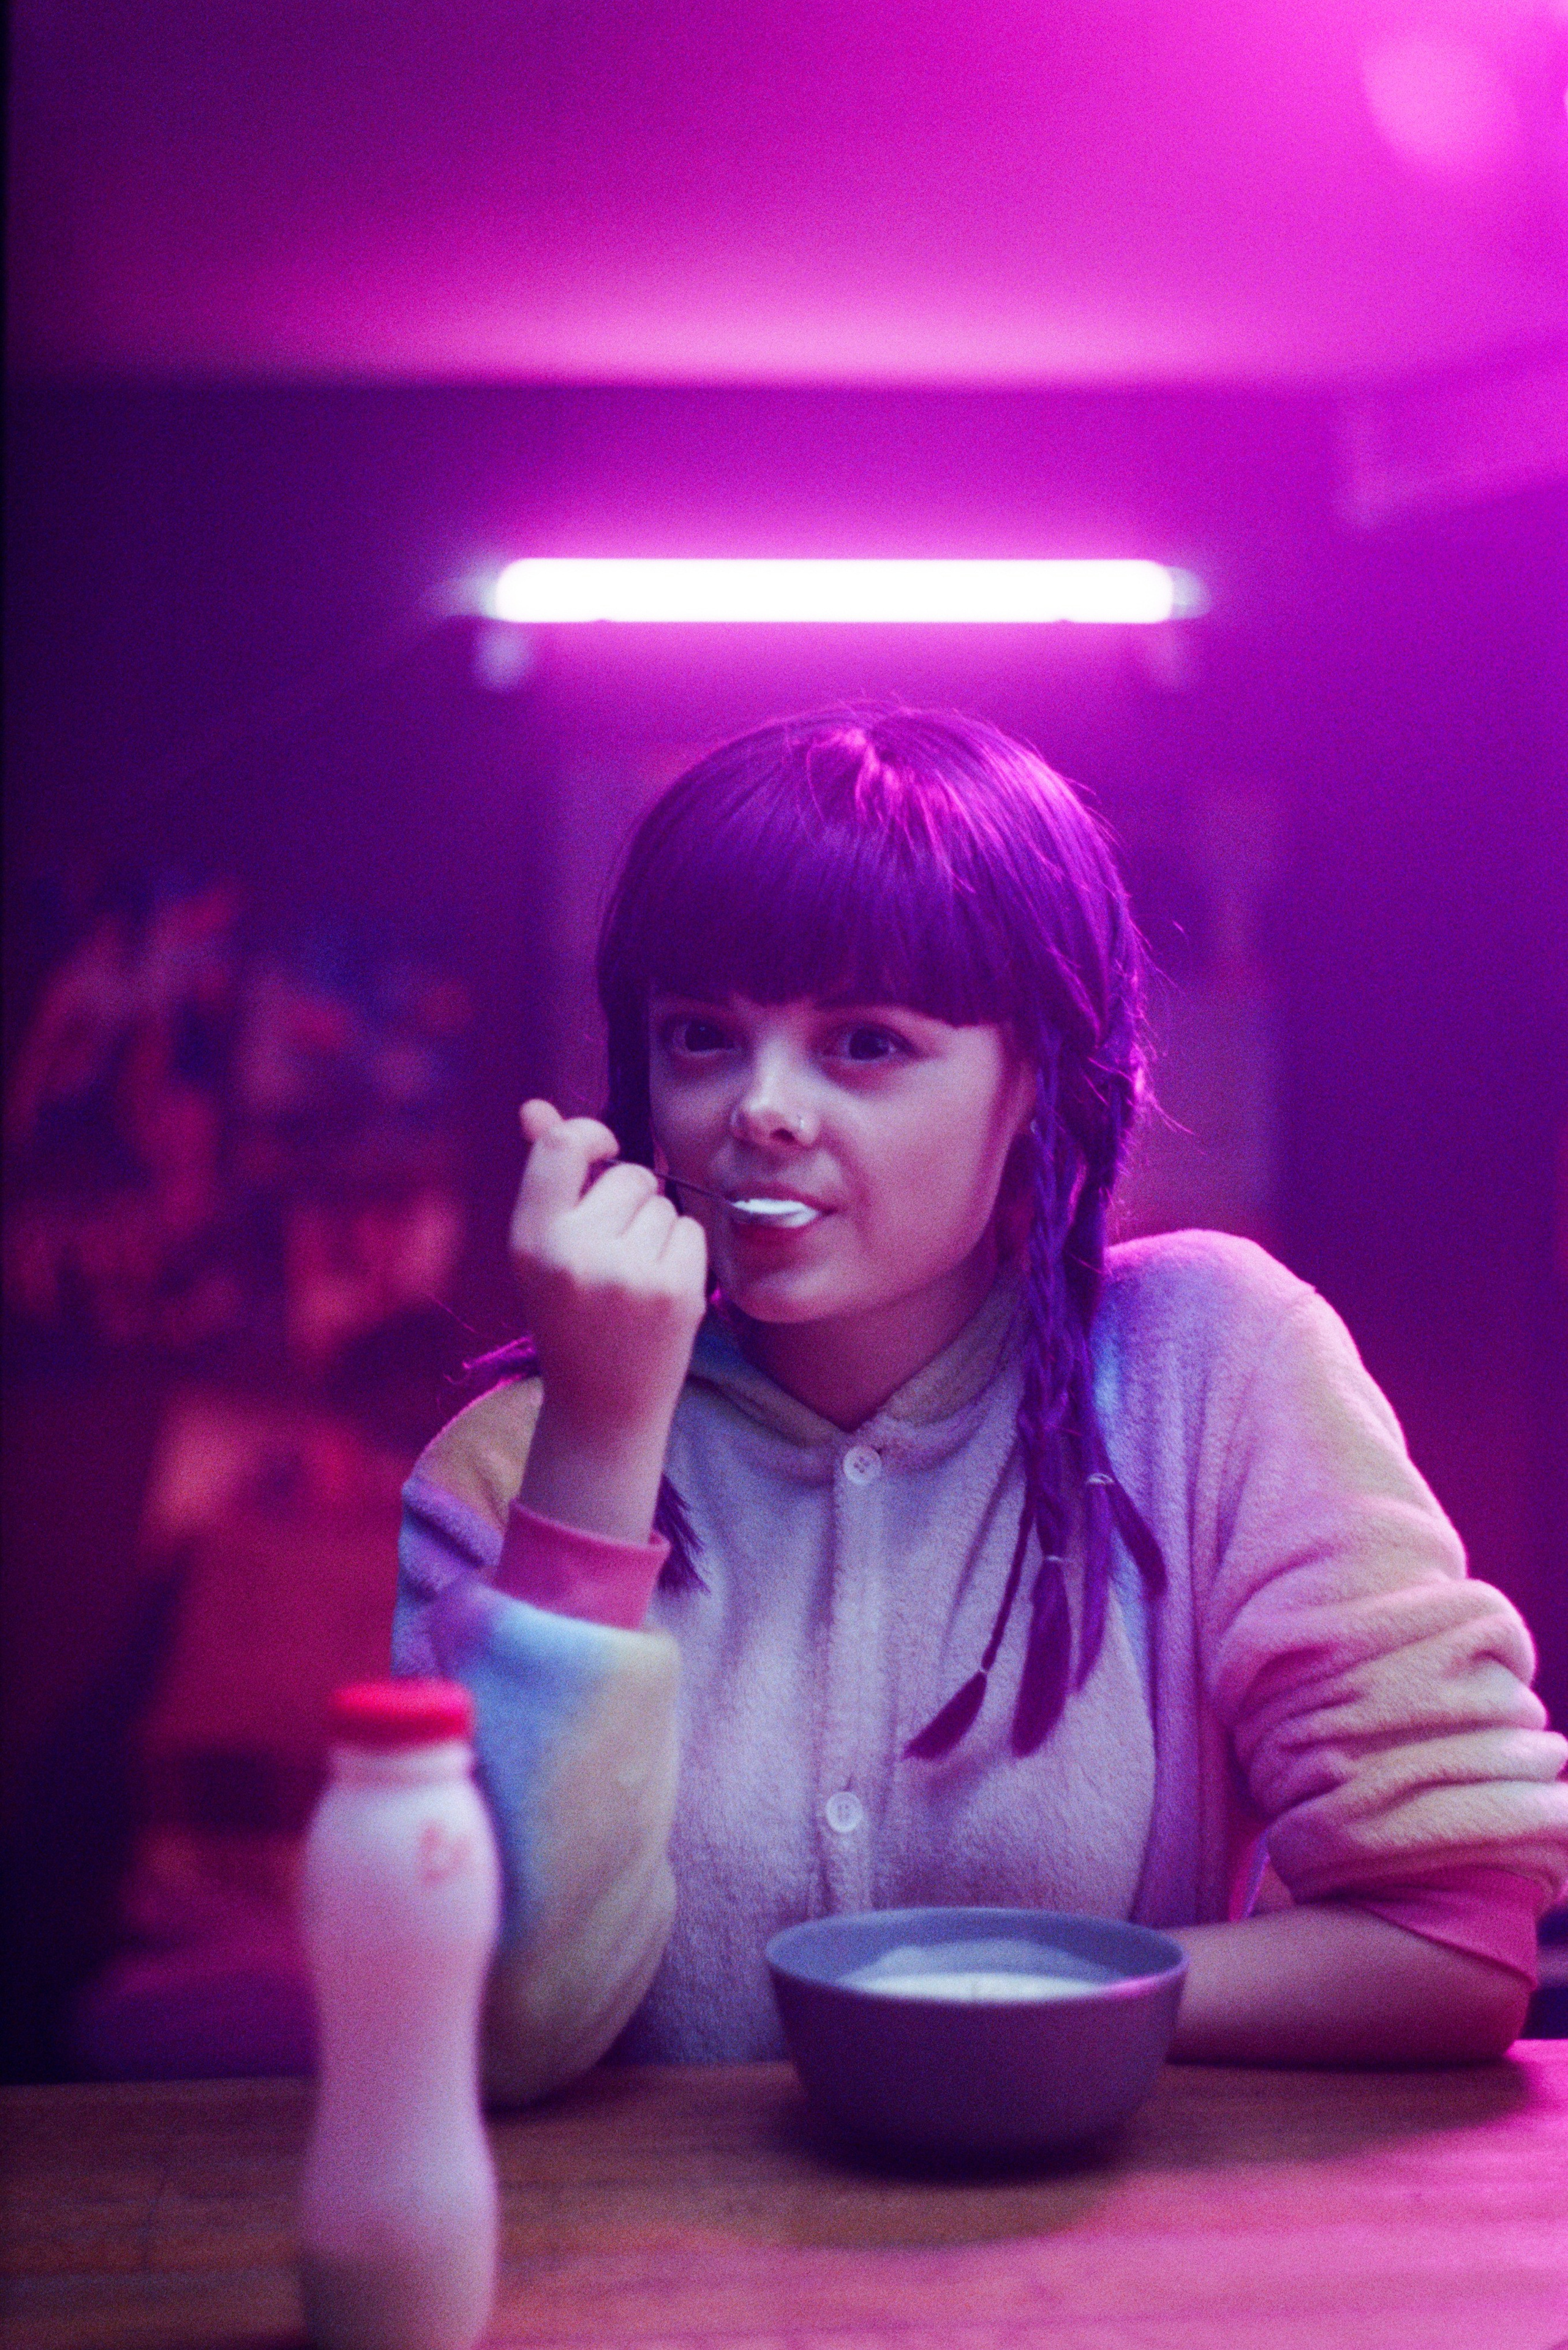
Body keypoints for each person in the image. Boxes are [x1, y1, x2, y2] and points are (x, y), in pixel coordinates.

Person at [394, 709, 1568, 2098]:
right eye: (700, 1035)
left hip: (1101, 2276)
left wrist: (1012, 2004)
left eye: (865, 1042)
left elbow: (1452, 1940)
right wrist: (595, 1446)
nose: (755, 1110)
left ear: (1033, 1078)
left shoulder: (1212, 1366)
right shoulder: (507, 1467)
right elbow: (496, 2037)